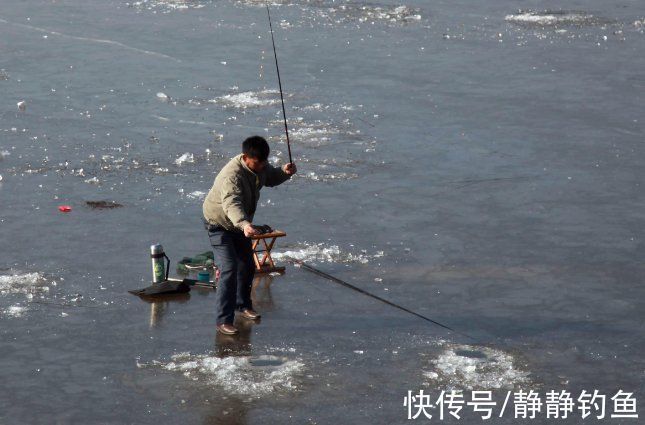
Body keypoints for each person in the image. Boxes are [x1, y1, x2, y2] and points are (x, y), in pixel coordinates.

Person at [203, 136, 296, 335]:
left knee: (247, 264)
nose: (262, 166)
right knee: (229, 267)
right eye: (258, 163)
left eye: (264, 162)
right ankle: (223, 320)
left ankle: (242, 305)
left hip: (239, 226)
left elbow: (270, 176)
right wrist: (245, 224)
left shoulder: (260, 165)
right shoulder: (232, 176)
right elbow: (232, 203)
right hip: (219, 224)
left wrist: (284, 172)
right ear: (246, 157)